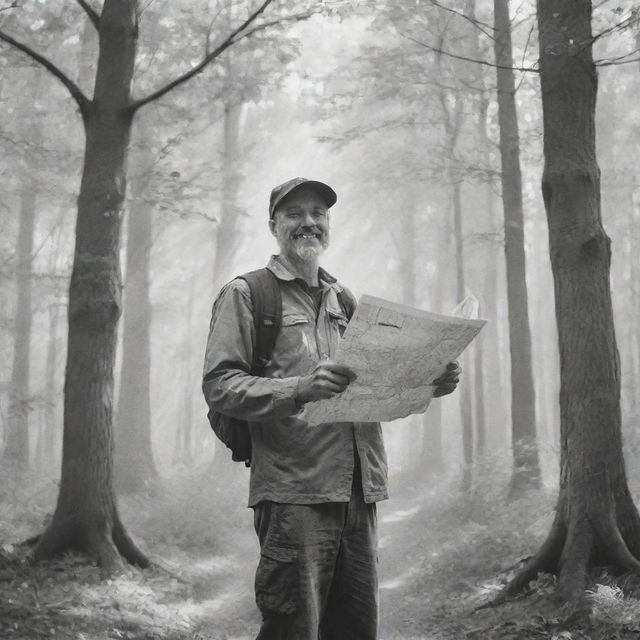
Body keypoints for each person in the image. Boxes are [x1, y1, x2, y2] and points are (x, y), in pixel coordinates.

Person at [202, 177, 460, 640]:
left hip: (359, 494)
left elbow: (374, 385)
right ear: (273, 225)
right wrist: (300, 388)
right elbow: (221, 385)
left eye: (318, 214)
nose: (309, 223)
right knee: (293, 629)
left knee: (356, 629)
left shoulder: (344, 299)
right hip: (293, 494)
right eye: (295, 214)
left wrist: (430, 378)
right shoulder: (247, 295)